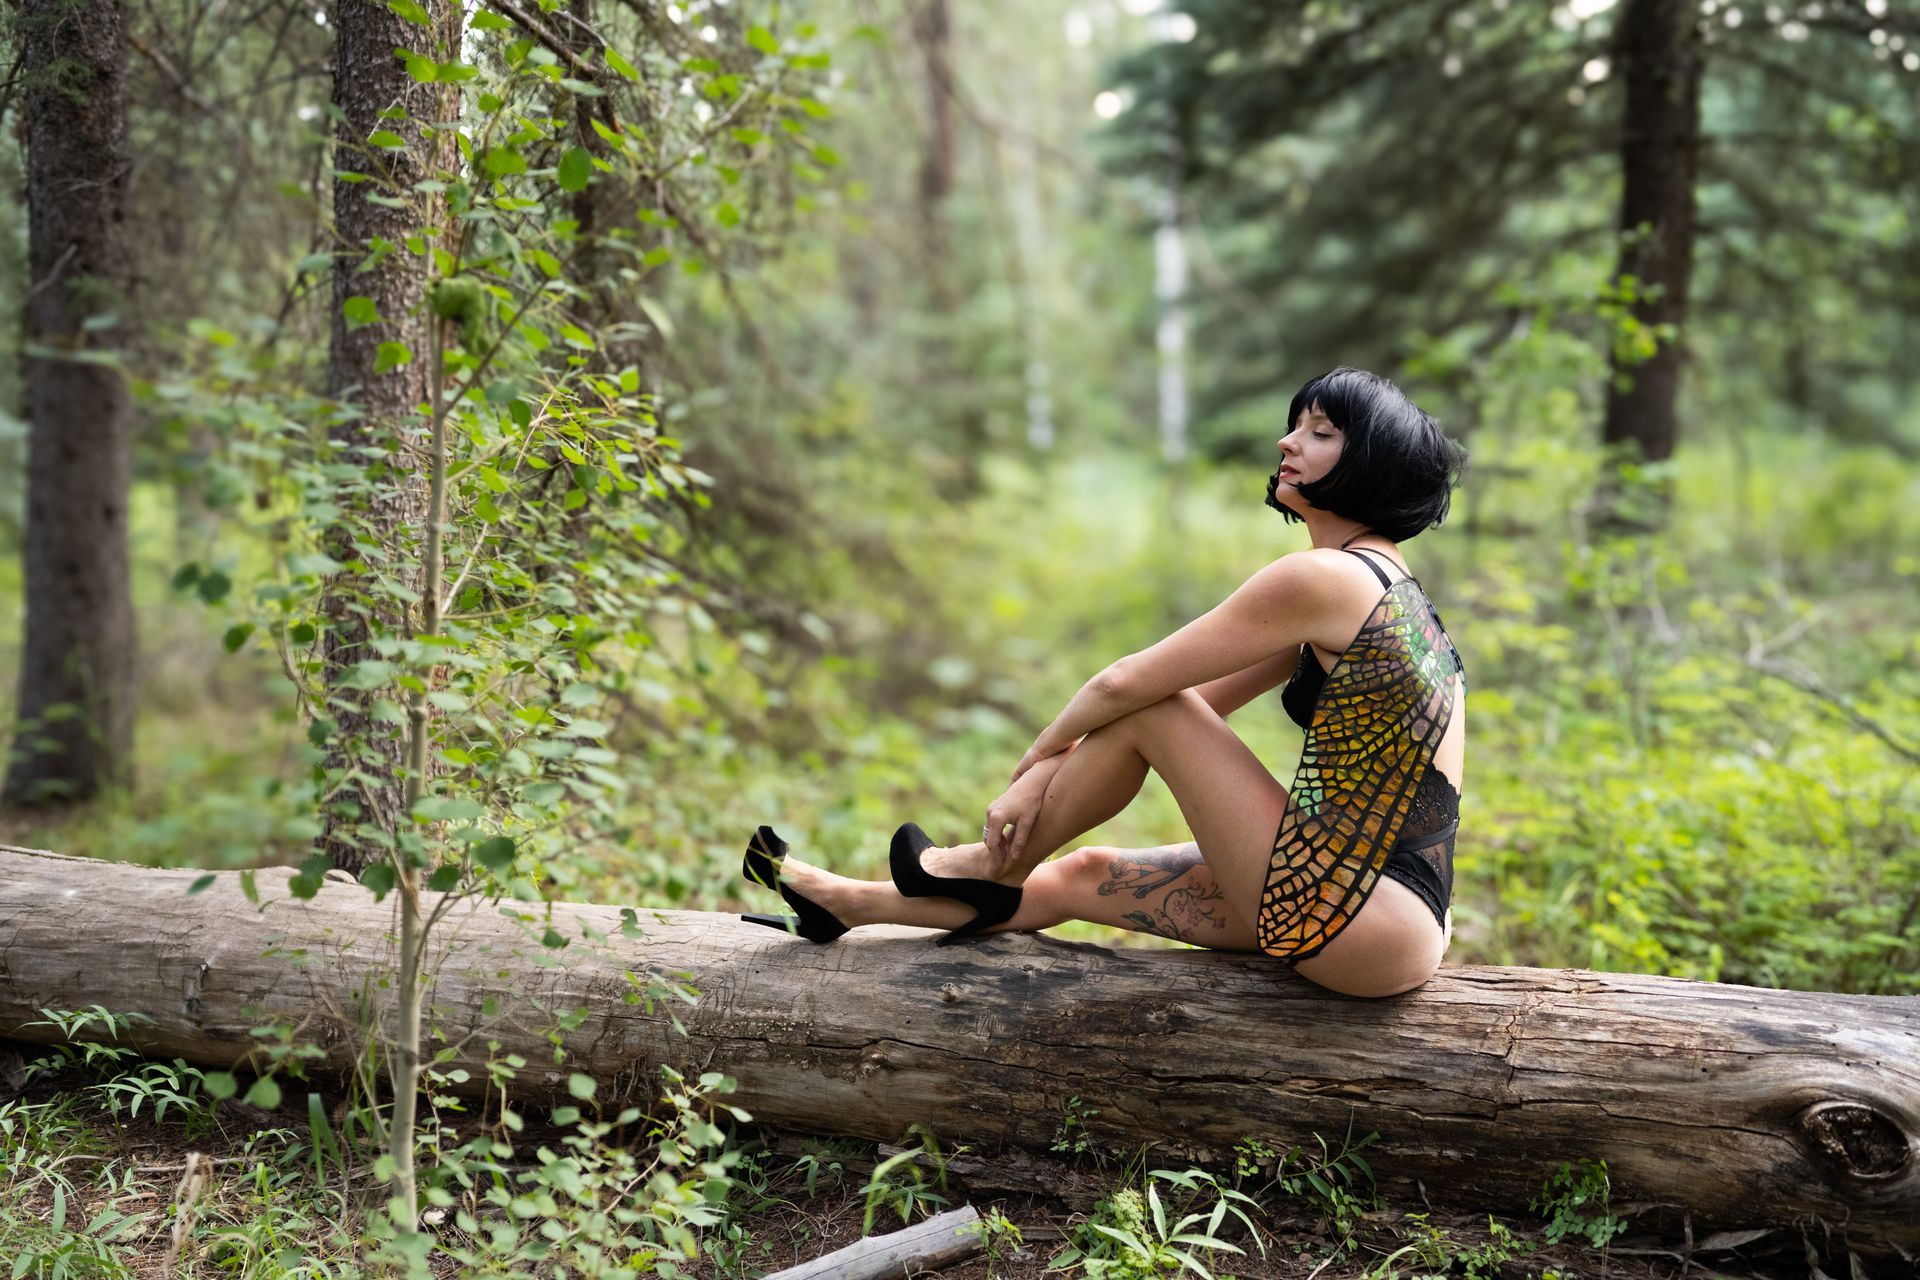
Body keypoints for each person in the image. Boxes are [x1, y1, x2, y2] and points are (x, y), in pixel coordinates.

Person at [740, 367, 1470, 998]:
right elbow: (1187, 700)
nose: (1287, 442)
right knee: (1083, 873)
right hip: (1371, 910)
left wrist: (1031, 770)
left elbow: (1130, 686)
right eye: (1295, 426)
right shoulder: (1381, 586)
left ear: (1366, 464)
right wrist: (1056, 772)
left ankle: (988, 863)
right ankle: (844, 903)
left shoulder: (1326, 578)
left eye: (1320, 433)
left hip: (1359, 914)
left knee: (1157, 711)